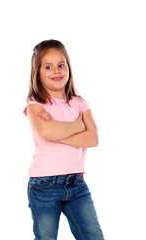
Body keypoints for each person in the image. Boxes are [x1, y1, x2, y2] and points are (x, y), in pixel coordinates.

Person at [23, 39, 105, 240]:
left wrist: (57, 130)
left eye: (61, 65)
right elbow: (47, 132)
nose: (56, 71)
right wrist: (78, 126)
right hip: (44, 185)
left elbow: (93, 138)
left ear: (68, 67)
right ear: (38, 75)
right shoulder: (36, 105)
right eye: (48, 67)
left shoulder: (79, 103)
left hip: (76, 184)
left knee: (93, 237)